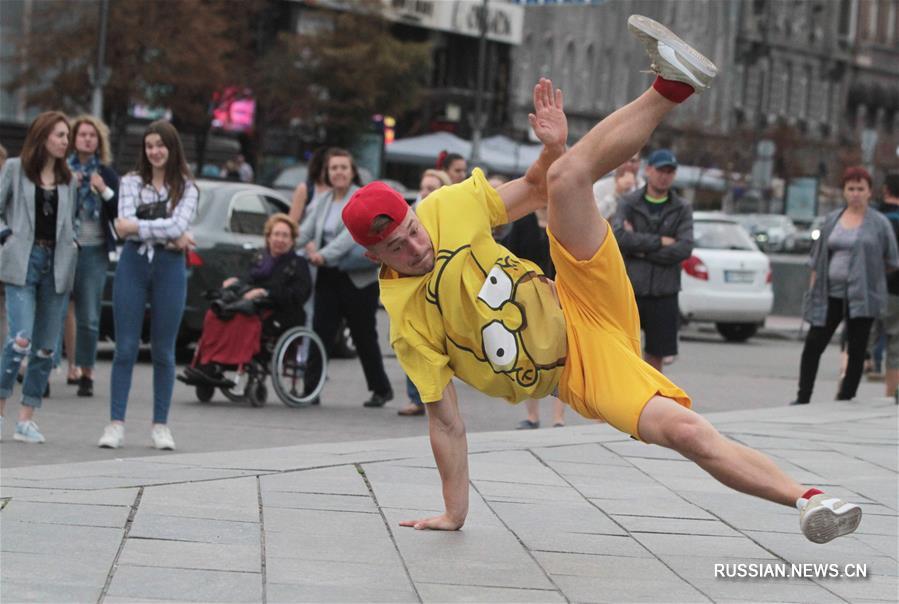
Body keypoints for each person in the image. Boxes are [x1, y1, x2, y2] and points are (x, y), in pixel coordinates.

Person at [341, 15, 863, 545]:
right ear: (372, 253)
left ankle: (671, 84)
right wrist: (454, 512)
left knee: (568, 173)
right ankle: (810, 500)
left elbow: (538, 190)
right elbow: (446, 422)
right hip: (579, 371)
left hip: (578, 291)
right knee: (681, 431)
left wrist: (551, 148)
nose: (415, 245)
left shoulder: (443, 207)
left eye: (411, 229)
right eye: (397, 248)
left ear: (411, 210)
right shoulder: (407, 321)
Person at [97, 121, 198, 450]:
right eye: (150, 145)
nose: (155, 151)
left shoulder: (187, 188)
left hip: (170, 268)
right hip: (134, 264)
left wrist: (142, 226)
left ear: (172, 148)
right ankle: (115, 423)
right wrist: (168, 232)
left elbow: (176, 225)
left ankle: (160, 425)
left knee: (164, 351)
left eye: (161, 145)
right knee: (125, 348)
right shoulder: (129, 182)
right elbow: (122, 226)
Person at [0, 111, 78, 443]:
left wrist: (73, 242)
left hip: (57, 263)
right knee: (21, 338)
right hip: (23, 260)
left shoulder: (69, 179)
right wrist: (6, 235)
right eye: (60, 135)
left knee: (46, 347)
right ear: (43, 135)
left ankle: (26, 417)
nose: (65, 141)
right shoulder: (16, 169)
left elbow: (71, 219)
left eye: (66, 136)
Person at [791, 166, 898, 406]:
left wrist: (872, 277)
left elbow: (891, 260)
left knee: (857, 348)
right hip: (829, 294)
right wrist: (814, 286)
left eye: (861, 188)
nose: (856, 193)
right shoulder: (832, 219)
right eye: (851, 188)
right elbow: (817, 258)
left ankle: (846, 396)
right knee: (814, 344)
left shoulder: (879, 223)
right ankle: (803, 396)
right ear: (844, 191)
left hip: (863, 296)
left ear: (870, 192)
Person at [298, 148, 393, 407]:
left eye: (343, 167)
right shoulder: (323, 201)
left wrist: (322, 255)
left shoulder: (359, 198)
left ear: (352, 172)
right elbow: (304, 231)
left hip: (358, 280)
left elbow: (348, 237)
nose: (338, 172)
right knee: (321, 332)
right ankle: (311, 389)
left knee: (364, 336)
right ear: (327, 173)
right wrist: (286, 245)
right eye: (333, 168)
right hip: (328, 276)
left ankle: (381, 389)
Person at [180, 213, 311, 385]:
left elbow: (300, 294)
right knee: (215, 314)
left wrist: (265, 292)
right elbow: (248, 279)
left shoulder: (298, 263)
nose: (280, 239)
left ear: (292, 240)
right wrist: (236, 282)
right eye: (276, 234)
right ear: (268, 237)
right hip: (254, 306)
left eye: (285, 235)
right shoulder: (260, 258)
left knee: (242, 318)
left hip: (282, 312)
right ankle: (206, 363)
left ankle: (220, 365)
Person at [612, 148, 693, 372]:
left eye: (670, 171)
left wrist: (641, 249)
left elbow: (684, 247)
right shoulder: (629, 202)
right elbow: (619, 237)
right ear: (648, 170)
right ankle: (624, 398)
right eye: (660, 170)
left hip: (664, 290)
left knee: (656, 355)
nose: (664, 175)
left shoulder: (682, 208)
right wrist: (662, 241)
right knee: (623, 350)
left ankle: (650, 399)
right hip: (631, 288)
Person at [62, 115, 119, 397]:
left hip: (94, 250)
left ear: (99, 142)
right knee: (56, 309)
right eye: (82, 134)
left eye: (92, 136)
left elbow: (120, 208)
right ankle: (48, 367)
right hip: (63, 248)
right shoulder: (61, 170)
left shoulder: (106, 173)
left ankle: (87, 371)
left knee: (88, 315)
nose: (87, 139)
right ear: (73, 139)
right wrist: (68, 185)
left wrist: (103, 189)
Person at [501, 206, 567, 429]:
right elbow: (510, 257)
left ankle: (558, 418)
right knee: (531, 353)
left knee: (562, 354)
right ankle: (533, 416)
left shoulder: (563, 218)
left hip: (560, 294)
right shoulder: (523, 221)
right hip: (528, 296)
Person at [398, 168, 452, 417]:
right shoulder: (408, 216)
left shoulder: (446, 216)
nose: (425, 192)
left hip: (441, 287)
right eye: (424, 186)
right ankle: (417, 397)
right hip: (414, 289)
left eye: (432, 188)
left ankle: (437, 396)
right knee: (415, 341)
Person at [877, 171, 899, 399]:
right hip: (897, 290)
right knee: (896, 343)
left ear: (885, 190)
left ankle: (845, 390)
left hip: (874, 287)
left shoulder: (876, 217)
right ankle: (890, 395)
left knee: (858, 339)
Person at [289, 147, 331, 225]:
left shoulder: (338, 190)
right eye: (329, 168)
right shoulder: (305, 189)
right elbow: (292, 221)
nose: (335, 172)